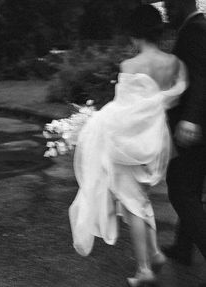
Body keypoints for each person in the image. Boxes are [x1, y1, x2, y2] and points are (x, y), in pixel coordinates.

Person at [69, 5, 187, 287]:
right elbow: (173, 99)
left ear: (135, 34)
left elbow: (122, 113)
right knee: (141, 200)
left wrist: (92, 122)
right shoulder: (175, 64)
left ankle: (145, 269)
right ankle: (156, 254)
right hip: (156, 143)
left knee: (133, 205)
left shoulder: (128, 67)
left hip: (127, 147)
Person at [162, 0, 206, 278]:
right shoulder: (194, 28)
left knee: (180, 190)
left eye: (169, 5)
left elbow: (203, 78)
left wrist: (191, 118)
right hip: (198, 124)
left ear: (181, 4)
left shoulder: (196, 30)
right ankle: (182, 248)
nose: (166, 11)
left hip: (195, 127)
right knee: (190, 189)